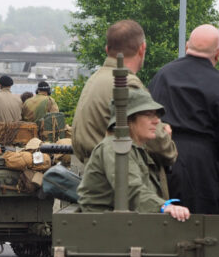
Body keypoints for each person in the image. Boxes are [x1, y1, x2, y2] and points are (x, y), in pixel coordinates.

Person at [149, 24, 219, 215]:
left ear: (187, 46)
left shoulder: (162, 76)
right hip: (201, 168)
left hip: (161, 162)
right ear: (218, 53)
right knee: (202, 231)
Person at [72, 20, 177, 174]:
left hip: (97, 176)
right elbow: (159, 145)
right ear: (142, 49)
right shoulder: (127, 84)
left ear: (107, 49)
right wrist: (166, 137)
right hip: (120, 181)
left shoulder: (95, 79)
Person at [77, 88, 190, 222]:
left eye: (156, 115)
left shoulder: (134, 148)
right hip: (107, 230)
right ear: (129, 119)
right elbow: (130, 188)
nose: (157, 121)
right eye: (149, 115)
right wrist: (163, 206)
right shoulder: (114, 147)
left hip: (124, 226)